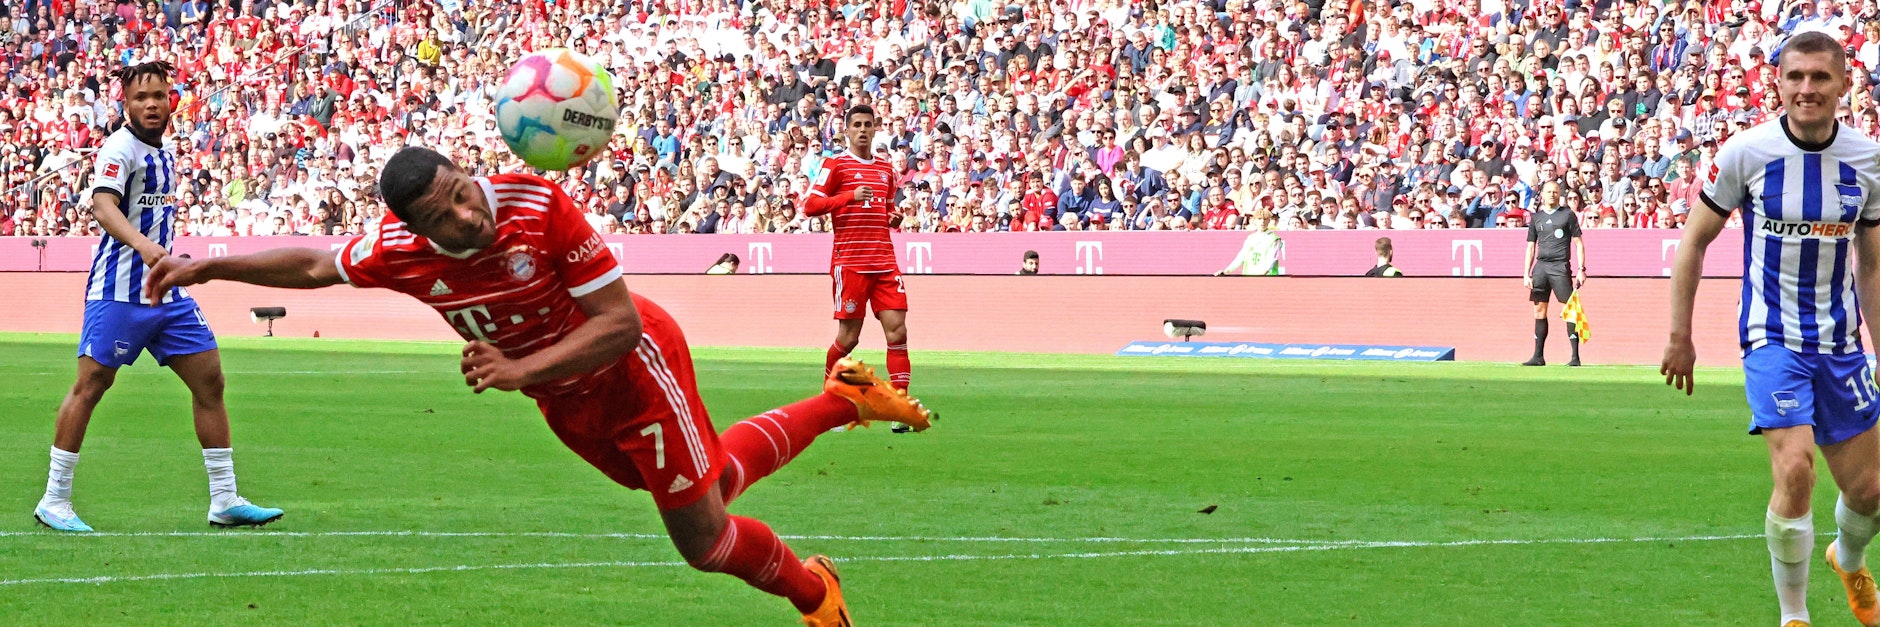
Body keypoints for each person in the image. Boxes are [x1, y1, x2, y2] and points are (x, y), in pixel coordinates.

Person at [145, 147, 935, 625]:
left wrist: (516, 369)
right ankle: (847, 397)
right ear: (417, 231)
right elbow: (319, 264)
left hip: (635, 368)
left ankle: (814, 593)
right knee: (712, 479)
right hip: (566, 398)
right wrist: (211, 264)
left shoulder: (538, 204)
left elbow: (621, 322)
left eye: (462, 188)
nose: (467, 211)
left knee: (701, 536)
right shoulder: (399, 252)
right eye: (444, 213)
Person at [1661, 32, 1880, 627]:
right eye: (1795, 77)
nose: (1806, 89)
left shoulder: (1868, 160)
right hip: (1770, 339)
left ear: (1843, 85)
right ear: (1778, 83)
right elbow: (1693, 243)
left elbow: (1873, 263)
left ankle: (1848, 557)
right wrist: (1680, 335)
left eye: (1820, 78)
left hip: (1839, 344)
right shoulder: (1747, 153)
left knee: (1870, 492)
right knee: (1796, 469)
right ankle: (1794, 616)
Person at [33, 61, 282, 533]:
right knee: (91, 387)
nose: (152, 104)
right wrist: (150, 249)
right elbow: (103, 205)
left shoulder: (164, 153)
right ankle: (54, 500)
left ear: (172, 100)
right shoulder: (119, 147)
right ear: (125, 105)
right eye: (141, 97)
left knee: (211, 382)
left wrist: (168, 257)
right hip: (118, 293)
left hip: (169, 294)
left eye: (160, 96)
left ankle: (225, 500)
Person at [804, 105, 914, 400]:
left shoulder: (885, 170)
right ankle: (830, 397)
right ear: (846, 130)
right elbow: (810, 206)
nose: (863, 130)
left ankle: (899, 404)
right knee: (849, 338)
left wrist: (893, 217)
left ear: (875, 128)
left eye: (868, 124)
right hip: (851, 262)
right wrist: (848, 197)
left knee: (898, 332)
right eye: (857, 125)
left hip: (884, 261)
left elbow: (886, 208)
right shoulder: (835, 165)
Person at [1521, 181, 1586, 366]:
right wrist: (1526, 273)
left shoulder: (1567, 215)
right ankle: (1538, 356)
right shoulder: (1536, 218)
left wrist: (1582, 269)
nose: (1552, 194)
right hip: (1541, 268)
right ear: (1542, 194)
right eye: (1548, 192)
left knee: (1570, 309)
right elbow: (1531, 247)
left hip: (1560, 267)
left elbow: (1579, 243)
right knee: (1539, 310)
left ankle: (1575, 357)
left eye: (1555, 192)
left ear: (1560, 194)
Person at [1215, 210, 1283, 276]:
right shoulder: (1250, 238)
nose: (1262, 221)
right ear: (1254, 221)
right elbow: (1241, 257)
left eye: (1265, 219)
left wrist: (1261, 275)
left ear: (1269, 221)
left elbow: (1271, 260)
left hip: (1267, 279)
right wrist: (1227, 271)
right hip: (1249, 277)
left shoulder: (1274, 238)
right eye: (1259, 219)